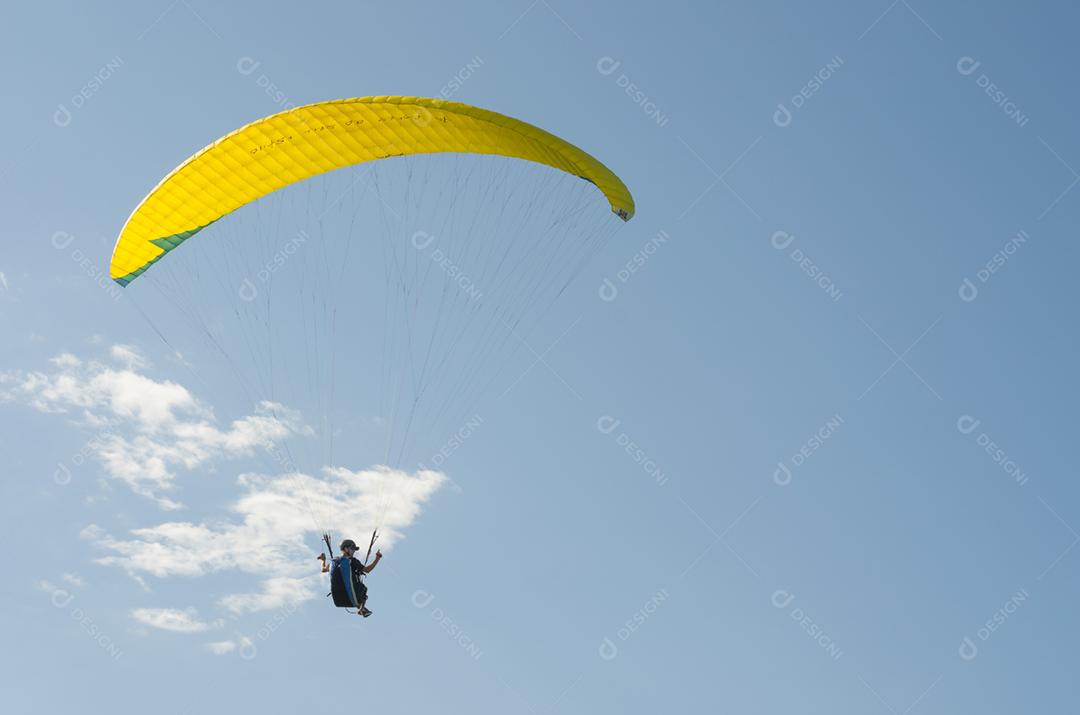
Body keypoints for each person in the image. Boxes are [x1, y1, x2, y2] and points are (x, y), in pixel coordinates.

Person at [319, 539, 383, 617]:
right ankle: (362, 609)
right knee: (363, 589)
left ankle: (362, 609)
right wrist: (377, 558)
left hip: (338, 596)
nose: (354, 551)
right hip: (350, 594)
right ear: (346, 549)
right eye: (352, 549)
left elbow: (323, 569)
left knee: (355, 593)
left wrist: (323, 560)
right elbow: (367, 570)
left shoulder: (334, 561)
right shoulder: (352, 561)